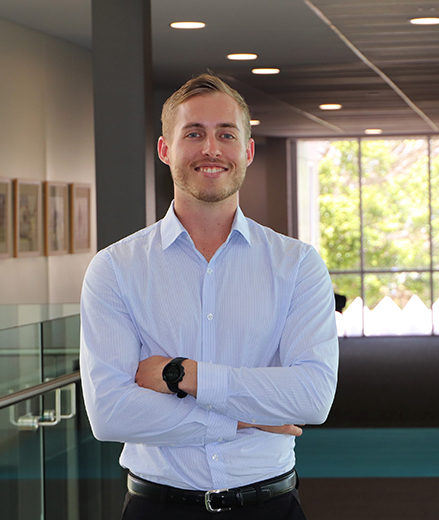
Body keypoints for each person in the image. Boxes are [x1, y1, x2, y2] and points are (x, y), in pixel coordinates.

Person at [80, 73, 338, 520]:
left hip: (270, 507)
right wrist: (244, 417)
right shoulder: (115, 268)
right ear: (165, 149)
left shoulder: (297, 265)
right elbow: (110, 413)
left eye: (226, 134)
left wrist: (184, 376)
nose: (211, 149)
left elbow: (312, 398)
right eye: (193, 133)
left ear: (247, 151)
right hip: (156, 508)